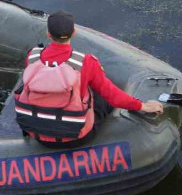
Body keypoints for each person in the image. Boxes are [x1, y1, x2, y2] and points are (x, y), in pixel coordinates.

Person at [14, 11, 163, 147]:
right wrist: (144, 106)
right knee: (100, 96)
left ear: (48, 34)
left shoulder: (32, 57)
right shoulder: (86, 62)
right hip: (78, 136)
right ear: (74, 32)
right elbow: (114, 97)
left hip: (39, 135)